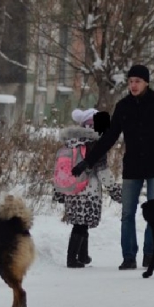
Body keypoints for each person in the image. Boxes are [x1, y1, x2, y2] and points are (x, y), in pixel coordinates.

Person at [71, 64, 154, 270]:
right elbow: (109, 138)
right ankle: (129, 256)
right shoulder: (123, 106)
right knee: (127, 213)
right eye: (130, 81)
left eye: (137, 81)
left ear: (146, 82)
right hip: (132, 166)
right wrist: (88, 161)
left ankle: (150, 253)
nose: (133, 85)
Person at [57, 108, 122, 268]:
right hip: (88, 189)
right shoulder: (95, 144)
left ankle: (83, 255)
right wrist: (114, 190)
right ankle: (72, 259)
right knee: (80, 225)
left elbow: (60, 168)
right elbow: (102, 170)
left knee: (81, 223)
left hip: (72, 189)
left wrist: (58, 190)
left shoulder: (71, 142)